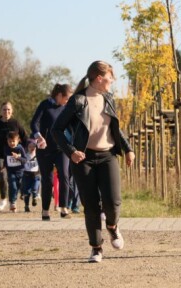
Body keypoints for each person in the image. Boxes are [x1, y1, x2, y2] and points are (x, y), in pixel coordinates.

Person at [52, 60, 135, 263]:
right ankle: (96, 248)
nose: (112, 81)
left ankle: (113, 227)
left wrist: (128, 149)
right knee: (91, 206)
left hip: (108, 156)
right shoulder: (78, 101)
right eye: (110, 78)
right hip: (84, 160)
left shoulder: (109, 98)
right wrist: (71, 151)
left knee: (113, 202)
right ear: (99, 78)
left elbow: (115, 129)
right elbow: (56, 130)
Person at [30, 83, 74, 220]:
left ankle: (64, 208)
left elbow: (72, 126)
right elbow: (34, 123)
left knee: (64, 176)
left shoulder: (67, 108)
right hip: (45, 149)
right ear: (59, 96)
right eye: (67, 99)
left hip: (61, 148)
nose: (68, 102)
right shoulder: (45, 104)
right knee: (47, 180)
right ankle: (45, 211)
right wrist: (39, 137)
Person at [4, 131, 27, 212]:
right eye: (10, 141)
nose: (12, 143)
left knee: (21, 186)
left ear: (18, 141)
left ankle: (23, 194)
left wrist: (18, 157)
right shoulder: (6, 149)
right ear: (7, 141)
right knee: (13, 186)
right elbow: (5, 160)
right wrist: (3, 167)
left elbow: (25, 160)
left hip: (20, 171)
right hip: (11, 171)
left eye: (13, 141)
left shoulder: (20, 148)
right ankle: (13, 203)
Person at [22, 139, 40, 212]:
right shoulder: (25, 156)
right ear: (27, 147)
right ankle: (26, 206)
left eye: (34, 147)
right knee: (27, 191)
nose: (32, 148)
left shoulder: (38, 156)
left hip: (36, 175)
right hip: (27, 175)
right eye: (30, 146)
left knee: (34, 188)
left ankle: (35, 197)